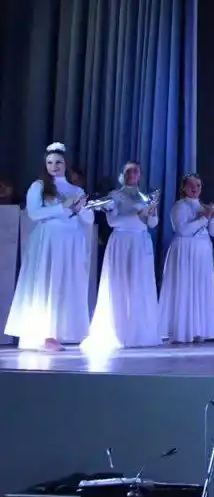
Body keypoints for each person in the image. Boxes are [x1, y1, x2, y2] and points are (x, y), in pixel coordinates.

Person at [4, 143, 94, 350]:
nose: (54, 166)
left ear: (65, 164)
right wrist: (62, 207)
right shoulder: (38, 186)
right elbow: (34, 213)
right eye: (50, 163)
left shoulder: (76, 190)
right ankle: (45, 334)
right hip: (49, 240)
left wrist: (80, 209)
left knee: (65, 283)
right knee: (47, 282)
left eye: (58, 162)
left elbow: (88, 219)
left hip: (70, 241)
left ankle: (61, 331)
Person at [83, 162, 163, 350]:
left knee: (139, 284)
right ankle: (118, 331)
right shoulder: (114, 196)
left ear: (140, 175)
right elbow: (113, 221)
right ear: (122, 174)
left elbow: (152, 223)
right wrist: (138, 215)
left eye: (136, 171)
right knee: (118, 283)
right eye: (128, 171)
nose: (132, 173)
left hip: (140, 243)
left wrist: (150, 213)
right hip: (121, 242)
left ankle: (138, 331)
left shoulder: (145, 197)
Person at [158, 174, 214, 343]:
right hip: (184, 251)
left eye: (198, 185)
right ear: (184, 188)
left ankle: (200, 329)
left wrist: (212, 217)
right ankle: (182, 329)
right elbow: (182, 230)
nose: (195, 188)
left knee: (200, 288)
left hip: (202, 253)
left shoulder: (203, 206)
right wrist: (204, 218)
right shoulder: (179, 206)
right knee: (185, 288)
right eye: (191, 185)